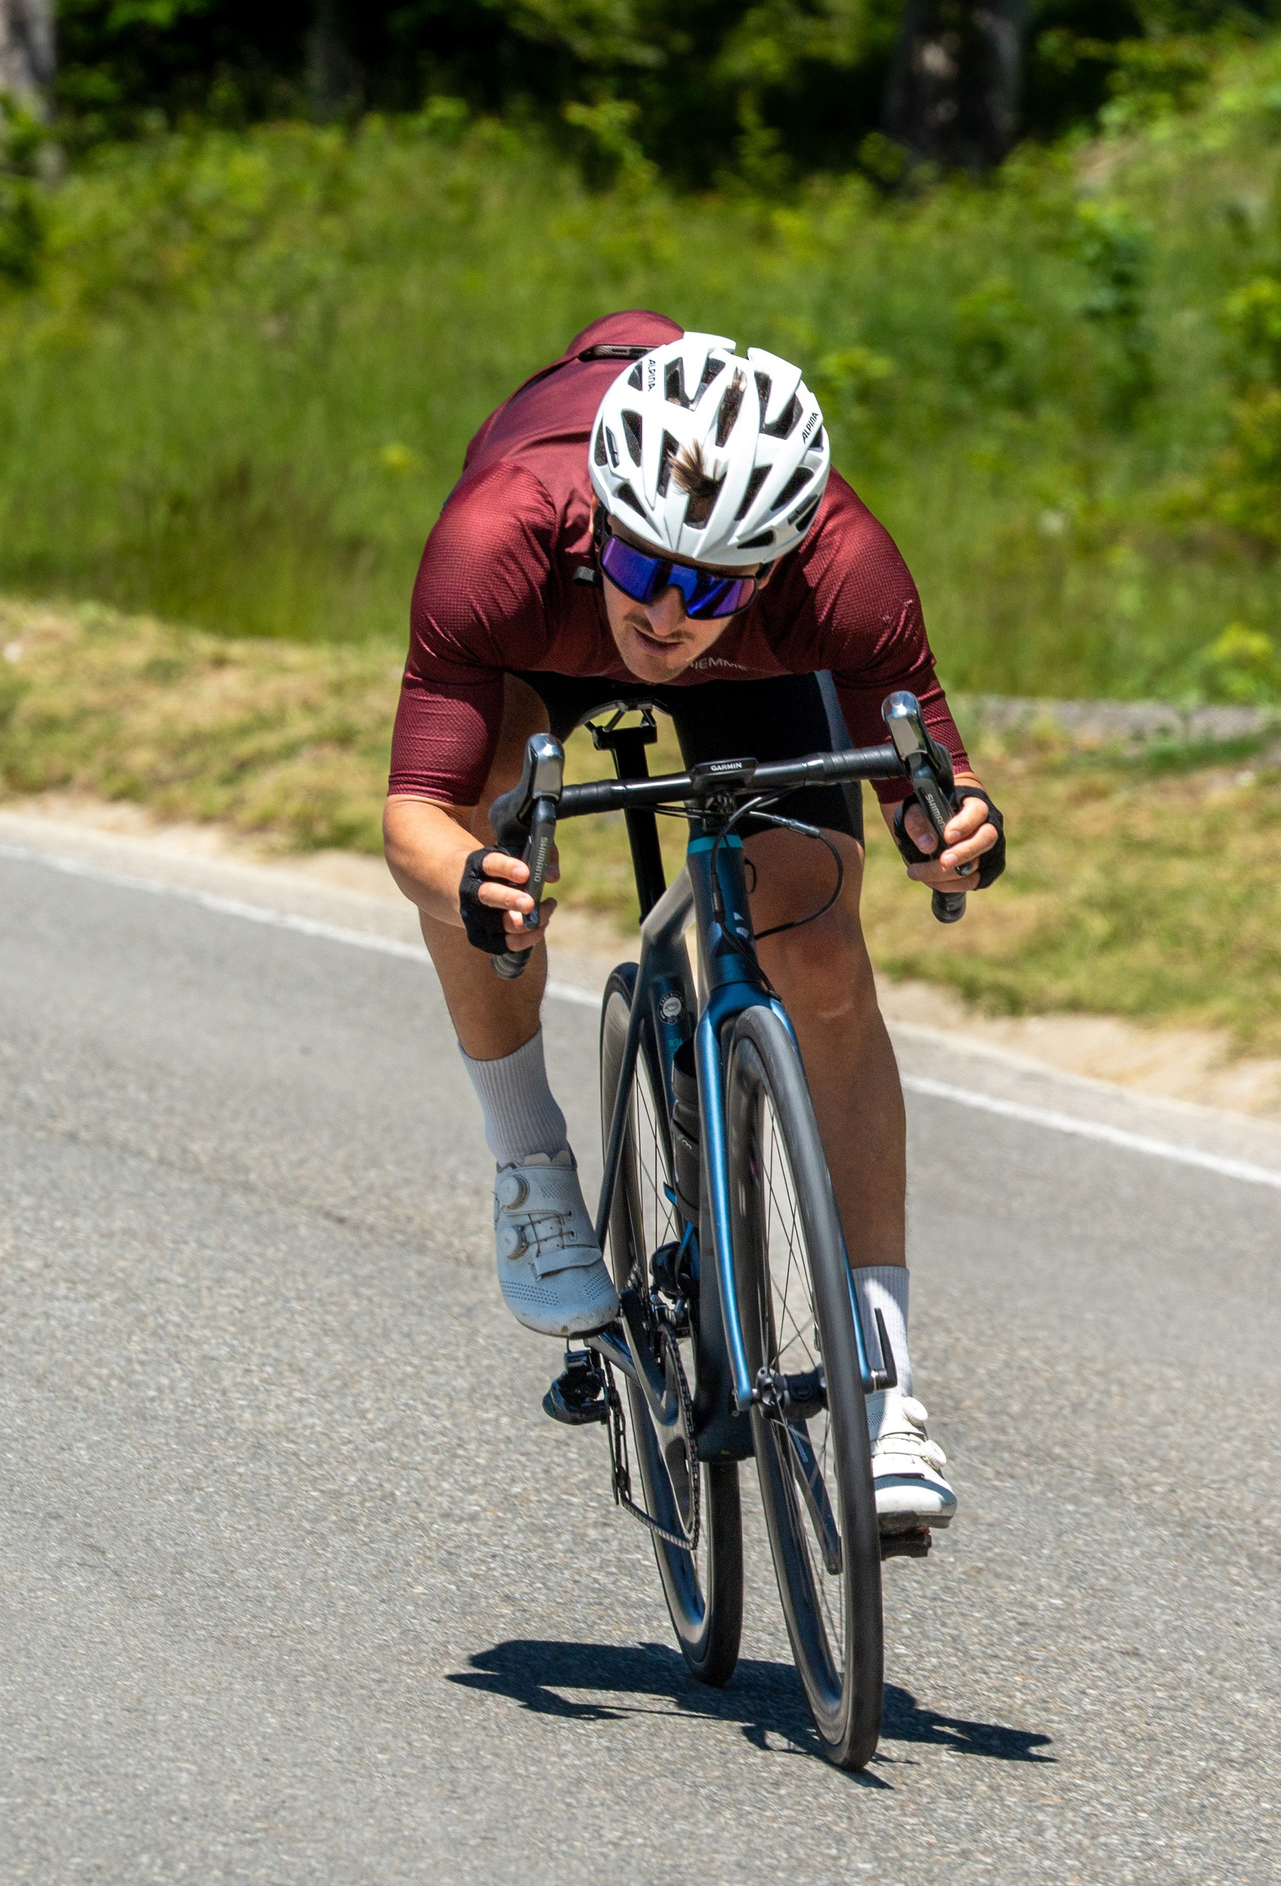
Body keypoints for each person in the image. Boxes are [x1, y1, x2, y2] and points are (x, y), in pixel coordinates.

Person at [381, 312, 1005, 1531]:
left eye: (707, 583)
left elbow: (937, 781)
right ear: (602, 524)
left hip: (760, 675)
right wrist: (468, 880)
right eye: (644, 566)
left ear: (776, 561)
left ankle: (885, 1396)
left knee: (821, 953)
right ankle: (532, 1169)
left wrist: (959, 832)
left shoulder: (842, 569)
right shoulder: (498, 535)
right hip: (537, 650)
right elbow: (415, 814)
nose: (666, 613)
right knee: (488, 854)